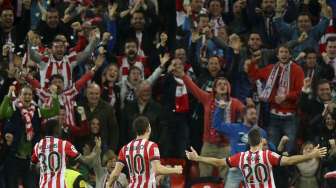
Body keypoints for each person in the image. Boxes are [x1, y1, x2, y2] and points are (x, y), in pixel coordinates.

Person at [186, 128, 327, 188]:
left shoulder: (240, 157)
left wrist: (198, 158)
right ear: (260, 142)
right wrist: (311, 155)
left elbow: (218, 162)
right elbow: (290, 160)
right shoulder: (267, 155)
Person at [105, 116, 183, 188]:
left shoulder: (125, 148)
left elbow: (115, 174)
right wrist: (175, 170)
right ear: (148, 128)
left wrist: (108, 184)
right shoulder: (151, 146)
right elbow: (158, 169)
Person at [31, 119, 100, 188]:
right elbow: (85, 161)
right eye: (60, 127)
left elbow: (32, 166)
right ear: (56, 129)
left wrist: (45, 170)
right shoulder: (63, 144)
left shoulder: (38, 146)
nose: (61, 129)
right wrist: (95, 151)